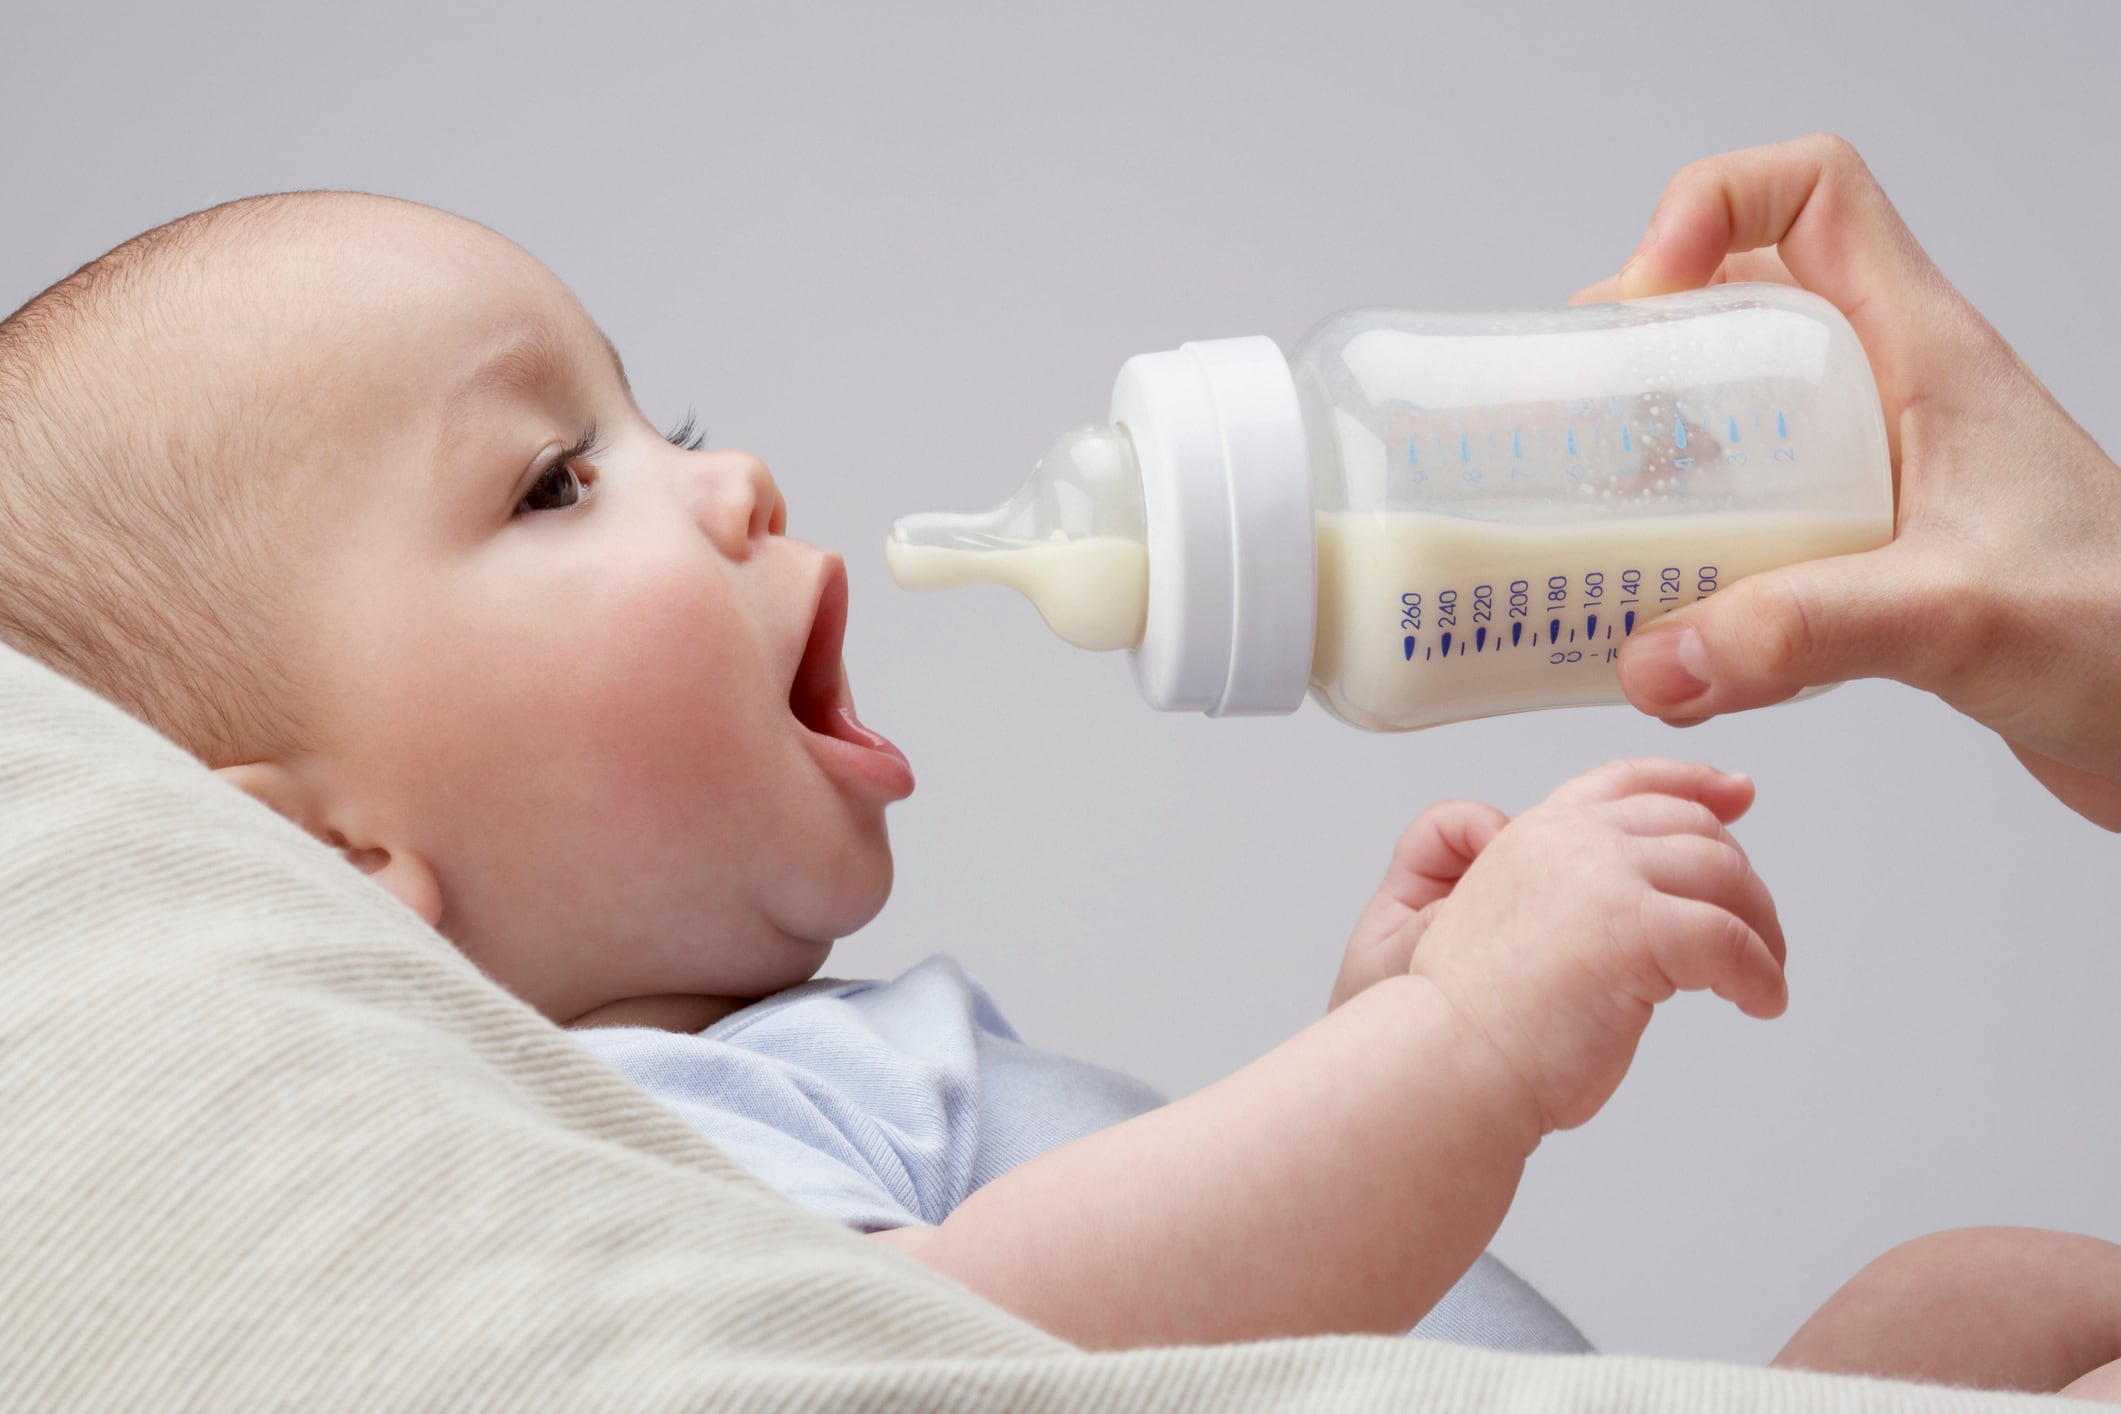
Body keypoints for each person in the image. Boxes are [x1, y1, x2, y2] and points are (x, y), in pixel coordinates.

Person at [0, 132, 2106, 1394]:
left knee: (1968, 1301)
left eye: (668, 413)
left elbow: (1212, 1309)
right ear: (337, 859)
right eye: (559, 478)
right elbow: (949, 1354)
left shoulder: (817, 1049)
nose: (731, 478)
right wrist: (1458, 1052)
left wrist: (1349, 1042)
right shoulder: (620, 1164)